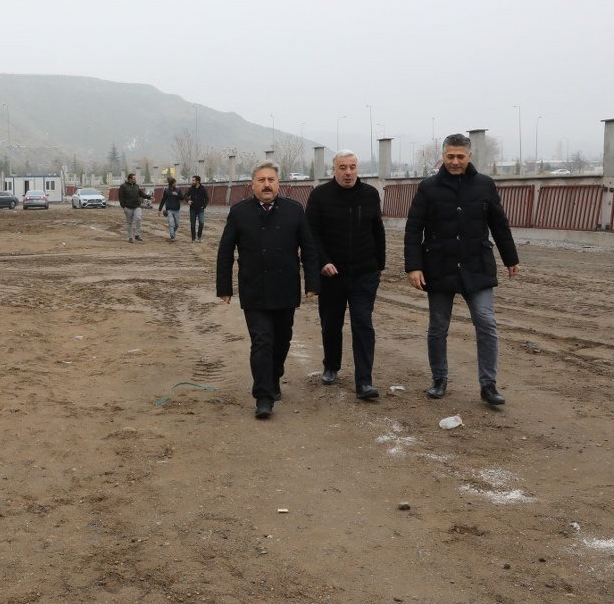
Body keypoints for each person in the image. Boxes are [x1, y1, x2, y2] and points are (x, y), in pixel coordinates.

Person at [404, 133, 520, 406]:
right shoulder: (428, 188)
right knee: (438, 326)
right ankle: (439, 379)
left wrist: (510, 258)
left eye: (460, 157)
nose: (455, 162)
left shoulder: (484, 185)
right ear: (443, 156)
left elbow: (499, 224)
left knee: (486, 323)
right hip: (439, 266)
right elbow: (413, 229)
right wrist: (414, 266)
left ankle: (488, 385)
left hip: (476, 265)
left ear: (469, 156)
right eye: (450, 156)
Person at [217, 161, 320, 419]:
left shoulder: (294, 210)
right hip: (254, 288)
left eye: (271, 180)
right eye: (261, 180)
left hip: (285, 287)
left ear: (278, 184)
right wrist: (224, 287)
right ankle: (263, 397)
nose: (266, 185)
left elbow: (308, 248)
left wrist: (312, 283)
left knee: (282, 340)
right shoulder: (239, 212)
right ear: (252, 185)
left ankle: (274, 377)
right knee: (262, 341)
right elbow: (225, 252)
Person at [305, 150, 386, 400]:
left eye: (352, 167)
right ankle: (331, 365)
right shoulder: (320, 196)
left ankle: (364, 381)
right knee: (331, 323)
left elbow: (377, 230)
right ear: (334, 170)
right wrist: (323, 262)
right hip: (332, 275)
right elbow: (311, 234)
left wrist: (378, 265)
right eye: (343, 167)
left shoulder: (370, 194)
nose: (348, 172)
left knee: (363, 324)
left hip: (364, 273)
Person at [118, 173, 152, 243]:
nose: (135, 180)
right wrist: (124, 207)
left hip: (137, 206)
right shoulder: (123, 186)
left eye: (135, 179)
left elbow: (141, 194)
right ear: (130, 179)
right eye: (134, 179)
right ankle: (130, 237)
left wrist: (149, 197)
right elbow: (121, 197)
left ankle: (137, 235)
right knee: (129, 223)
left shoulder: (136, 186)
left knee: (138, 218)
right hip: (128, 207)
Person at [158, 176, 185, 241]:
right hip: (169, 210)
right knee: (171, 223)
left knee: (177, 225)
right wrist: (159, 209)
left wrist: (177, 195)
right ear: (171, 183)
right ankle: (172, 236)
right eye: (174, 183)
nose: (175, 184)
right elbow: (163, 200)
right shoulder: (166, 190)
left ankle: (172, 232)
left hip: (176, 210)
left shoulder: (178, 190)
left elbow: (182, 198)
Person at [186, 175, 209, 243]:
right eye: (192, 180)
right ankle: (193, 238)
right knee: (192, 224)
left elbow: (207, 198)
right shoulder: (191, 188)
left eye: (193, 180)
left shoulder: (203, 189)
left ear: (198, 181)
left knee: (201, 223)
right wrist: (188, 200)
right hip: (192, 209)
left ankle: (199, 236)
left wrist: (204, 206)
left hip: (200, 209)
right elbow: (186, 195)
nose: (192, 181)